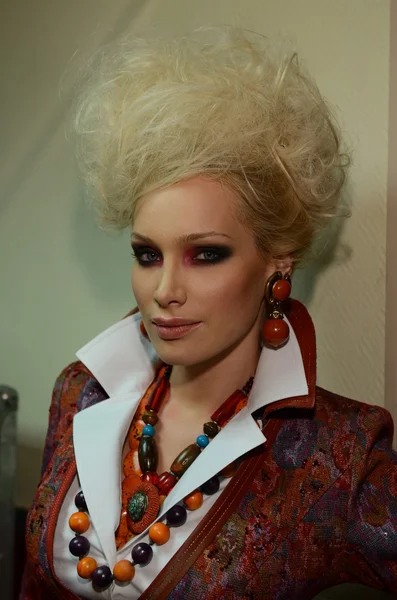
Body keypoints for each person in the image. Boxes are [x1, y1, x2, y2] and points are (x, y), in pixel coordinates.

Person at [21, 27, 397, 600]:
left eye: (206, 254)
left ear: (276, 261)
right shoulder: (80, 392)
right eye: (148, 254)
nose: (164, 290)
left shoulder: (339, 455)